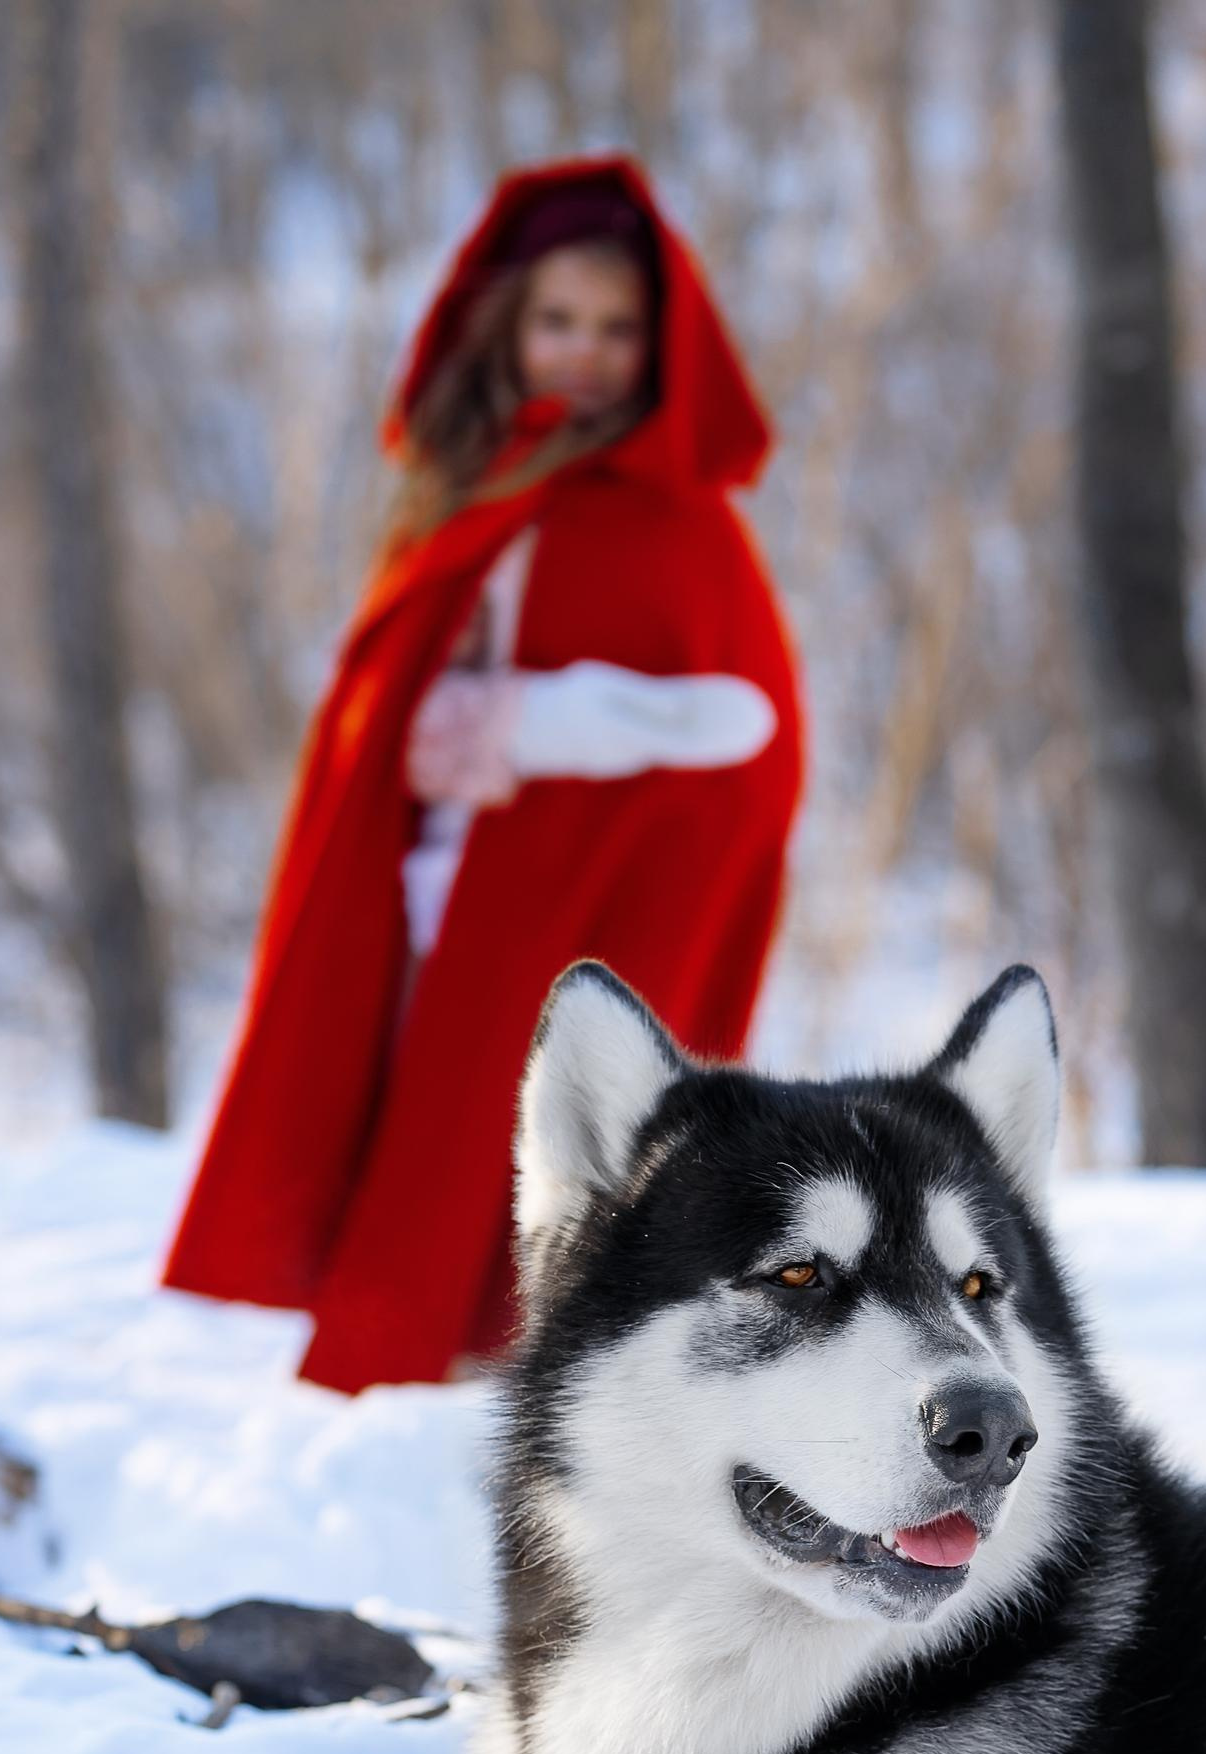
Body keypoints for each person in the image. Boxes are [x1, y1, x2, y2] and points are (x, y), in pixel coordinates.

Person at [161, 157, 802, 1393]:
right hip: (442, 889)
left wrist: (666, 748)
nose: (583, 354)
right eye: (557, 322)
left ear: (663, 348)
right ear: (503, 325)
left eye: (616, 330)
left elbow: (751, 761)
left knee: (558, 1140)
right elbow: (384, 720)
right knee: (431, 1140)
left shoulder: (682, 524)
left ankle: (528, 1374)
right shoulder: (468, 490)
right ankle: (413, 1382)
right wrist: (537, 723)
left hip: (588, 915)